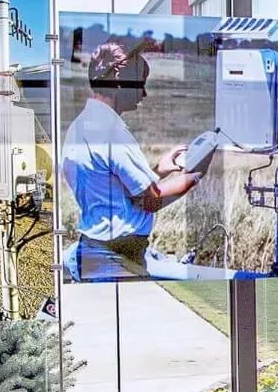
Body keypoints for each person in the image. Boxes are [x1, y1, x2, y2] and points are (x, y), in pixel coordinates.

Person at [58, 42, 203, 280]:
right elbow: (150, 201)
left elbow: (115, 194)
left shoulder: (81, 125)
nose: (143, 93)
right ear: (118, 79)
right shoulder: (111, 132)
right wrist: (195, 175)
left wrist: (159, 171)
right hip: (117, 260)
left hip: (95, 252)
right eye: (140, 83)